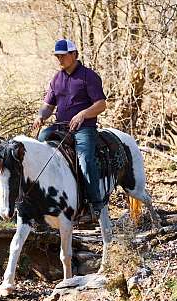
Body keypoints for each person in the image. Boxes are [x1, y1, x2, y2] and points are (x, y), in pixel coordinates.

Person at [32, 39, 107, 220]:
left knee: (85, 160)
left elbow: (101, 104)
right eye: (57, 56)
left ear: (74, 55)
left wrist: (83, 114)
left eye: (63, 55)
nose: (59, 59)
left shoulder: (89, 76)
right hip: (60, 127)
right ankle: (43, 197)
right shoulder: (57, 78)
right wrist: (41, 115)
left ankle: (95, 204)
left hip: (84, 129)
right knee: (40, 142)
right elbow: (48, 106)